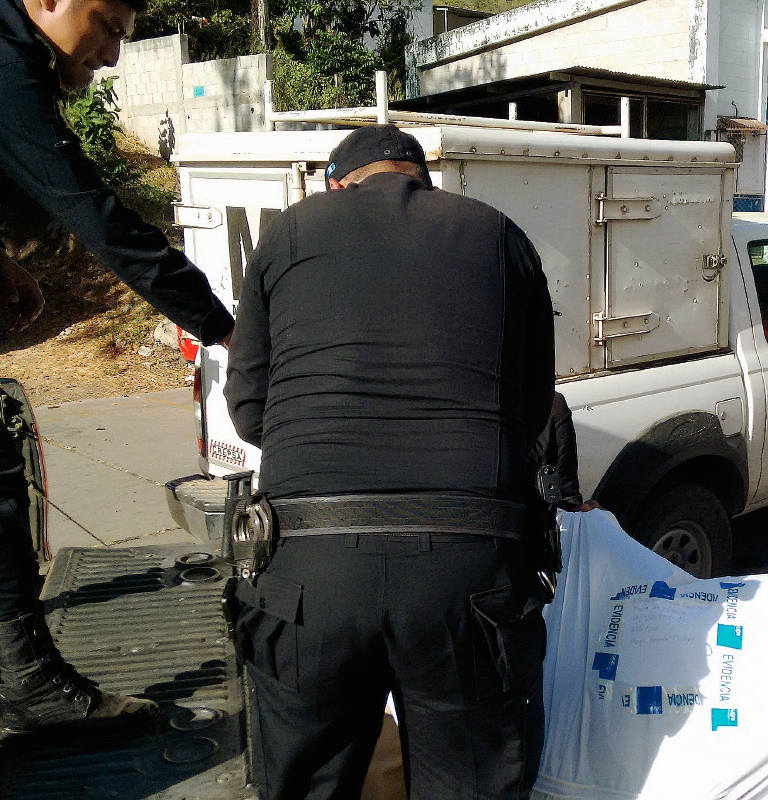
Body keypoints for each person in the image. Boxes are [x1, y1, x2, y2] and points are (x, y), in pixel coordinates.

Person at [224, 124, 556, 798]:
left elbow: (251, 407)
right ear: (420, 176)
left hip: (307, 574)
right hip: (469, 575)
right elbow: (532, 405)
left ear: (337, 183)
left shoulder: (287, 234)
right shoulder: (498, 234)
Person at [0, 0, 235, 742]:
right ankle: (30, 687)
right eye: (106, 25)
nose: (110, 54)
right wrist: (222, 324)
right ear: (47, 2)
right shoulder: (7, 61)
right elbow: (91, 210)